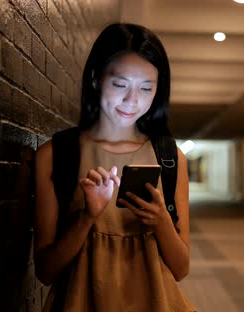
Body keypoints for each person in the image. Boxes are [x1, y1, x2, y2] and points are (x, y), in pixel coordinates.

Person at [34, 23, 195, 311]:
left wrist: (161, 221)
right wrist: (87, 217)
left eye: (146, 88)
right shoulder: (57, 154)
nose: (132, 101)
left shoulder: (170, 157)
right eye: (120, 84)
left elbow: (181, 269)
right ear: (96, 78)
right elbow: (45, 272)